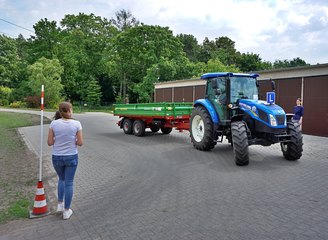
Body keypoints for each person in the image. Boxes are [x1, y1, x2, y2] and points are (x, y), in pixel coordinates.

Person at [47, 102, 83, 220]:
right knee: (69, 182)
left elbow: (50, 143)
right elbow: (80, 143)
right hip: (71, 156)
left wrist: (58, 138)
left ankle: (59, 204)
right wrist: (74, 139)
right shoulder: (77, 124)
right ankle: (66, 211)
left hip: (57, 156)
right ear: (69, 110)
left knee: (61, 179)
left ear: (60, 112)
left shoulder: (54, 124)